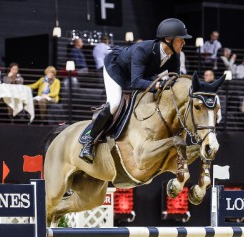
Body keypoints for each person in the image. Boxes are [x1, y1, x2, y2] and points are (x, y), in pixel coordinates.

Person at [78, 17, 192, 164]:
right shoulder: (142, 50)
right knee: (113, 104)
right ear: (168, 39)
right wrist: (158, 85)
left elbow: (175, 80)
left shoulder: (175, 56)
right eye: (181, 39)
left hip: (142, 74)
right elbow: (136, 82)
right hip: (117, 70)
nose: (184, 42)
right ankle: (89, 141)